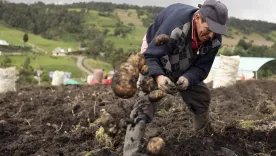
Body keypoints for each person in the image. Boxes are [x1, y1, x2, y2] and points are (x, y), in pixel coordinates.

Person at [123, 0, 228, 155]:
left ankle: (204, 143)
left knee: (201, 97)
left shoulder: (215, 40)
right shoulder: (175, 26)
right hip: (156, 54)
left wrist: (188, 78)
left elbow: (202, 67)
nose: (211, 35)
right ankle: (130, 152)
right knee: (147, 99)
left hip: (186, 57)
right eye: (209, 29)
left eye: (216, 31)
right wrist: (159, 77)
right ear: (198, 18)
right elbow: (150, 56)